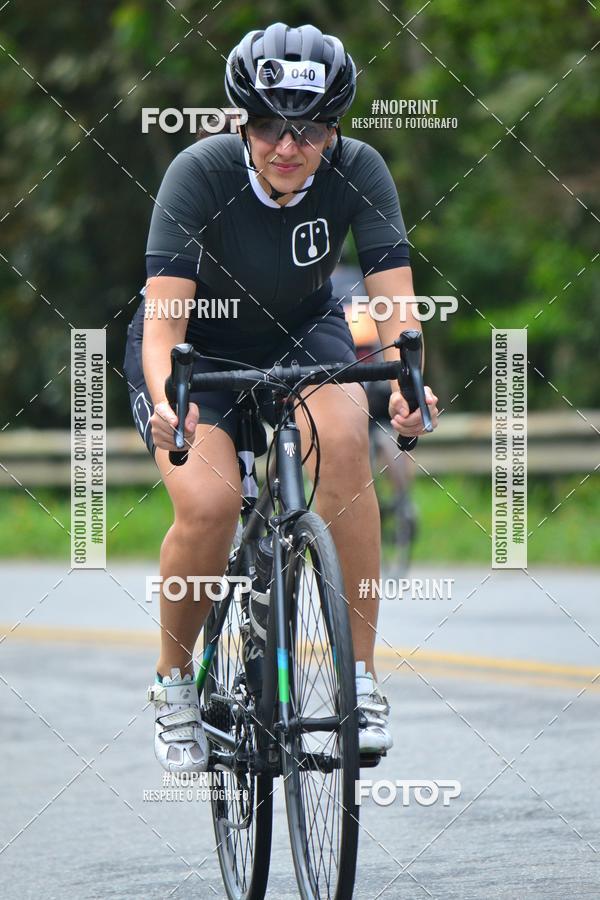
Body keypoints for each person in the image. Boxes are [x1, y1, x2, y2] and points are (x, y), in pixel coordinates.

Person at [122, 22, 439, 774]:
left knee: (348, 444)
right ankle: (174, 686)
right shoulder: (197, 173)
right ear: (242, 121)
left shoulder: (360, 169)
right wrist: (171, 395)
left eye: (309, 127)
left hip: (303, 335)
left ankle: (359, 683)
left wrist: (408, 384)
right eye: (267, 125)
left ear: (335, 127)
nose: (287, 145)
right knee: (209, 505)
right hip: (198, 347)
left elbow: (396, 308)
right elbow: (163, 321)